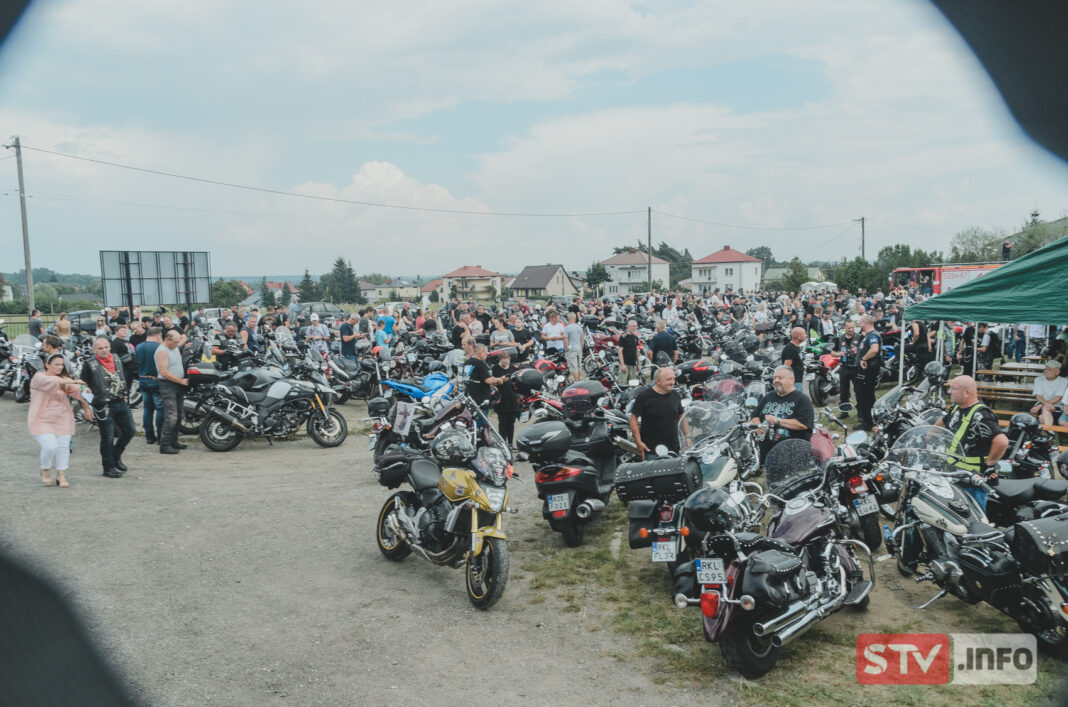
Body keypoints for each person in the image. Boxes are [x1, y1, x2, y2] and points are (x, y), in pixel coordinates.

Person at [936, 375, 1009, 510]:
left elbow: (1002, 441)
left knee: (973, 521)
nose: (949, 392)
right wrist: (926, 438)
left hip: (973, 482)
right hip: (956, 475)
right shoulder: (957, 408)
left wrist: (990, 464)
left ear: (966, 393)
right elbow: (942, 422)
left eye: (953, 388)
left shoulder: (981, 415)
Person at [28, 353, 92, 487]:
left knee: (63, 448)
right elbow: (53, 382)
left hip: (62, 418)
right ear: (47, 364)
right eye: (56, 364)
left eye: (62, 364)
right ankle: (45, 469)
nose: (59, 367)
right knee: (50, 447)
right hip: (41, 419)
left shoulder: (64, 380)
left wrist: (89, 392)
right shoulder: (39, 377)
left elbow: (80, 392)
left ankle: (61, 474)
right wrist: (73, 380)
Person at [83, 337, 136, 477]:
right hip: (103, 404)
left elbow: (122, 377)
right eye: (100, 348)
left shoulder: (116, 358)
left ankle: (115, 456)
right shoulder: (89, 364)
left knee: (130, 430)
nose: (104, 350)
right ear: (94, 350)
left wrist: (125, 396)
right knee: (108, 436)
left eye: (106, 347)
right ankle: (108, 467)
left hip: (120, 401)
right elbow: (82, 385)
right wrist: (87, 407)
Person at [750, 366, 815, 460]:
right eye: (774, 378)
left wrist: (778, 421)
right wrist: (759, 426)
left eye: (780, 378)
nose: (776, 380)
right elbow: (755, 414)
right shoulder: (769, 396)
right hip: (768, 456)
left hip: (792, 456)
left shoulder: (802, 399)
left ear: (792, 380)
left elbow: (804, 424)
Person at [629, 367, 687, 459]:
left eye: (673, 379)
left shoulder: (675, 395)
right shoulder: (644, 396)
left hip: (674, 450)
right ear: (658, 381)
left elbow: (681, 416)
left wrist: (687, 437)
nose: (672, 382)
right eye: (668, 379)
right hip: (652, 452)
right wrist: (638, 442)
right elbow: (633, 418)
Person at [155, 330, 189, 455]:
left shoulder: (173, 346)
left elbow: (183, 339)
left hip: (177, 385)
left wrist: (185, 335)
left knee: (179, 415)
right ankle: (165, 445)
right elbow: (164, 372)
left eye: (177, 342)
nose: (177, 344)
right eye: (175, 342)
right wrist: (180, 381)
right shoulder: (162, 351)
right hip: (168, 385)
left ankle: (174, 441)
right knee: (171, 416)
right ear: (167, 340)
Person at [136, 327, 165, 445]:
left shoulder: (138, 346)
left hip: (142, 379)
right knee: (160, 408)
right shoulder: (158, 347)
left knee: (147, 409)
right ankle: (160, 436)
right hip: (155, 379)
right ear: (158, 335)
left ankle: (149, 436)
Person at [463, 343, 506, 417]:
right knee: (481, 423)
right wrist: (499, 380)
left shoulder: (467, 362)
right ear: (481, 352)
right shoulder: (480, 363)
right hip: (481, 400)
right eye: (486, 353)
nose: (487, 355)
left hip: (469, 398)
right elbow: (488, 380)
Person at [855, 315, 882, 431]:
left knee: (865, 395)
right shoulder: (868, 335)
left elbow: (874, 349)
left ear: (866, 322)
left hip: (868, 371)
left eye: (861, 322)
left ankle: (868, 422)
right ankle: (871, 419)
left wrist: (864, 358)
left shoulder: (873, 335)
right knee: (866, 395)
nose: (859, 324)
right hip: (865, 370)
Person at [491, 350, 519, 446]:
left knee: (511, 423)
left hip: (513, 398)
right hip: (501, 399)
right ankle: (503, 443)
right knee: (502, 422)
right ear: (500, 359)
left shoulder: (512, 367)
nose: (506, 361)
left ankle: (510, 443)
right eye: (504, 359)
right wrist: (501, 379)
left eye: (507, 359)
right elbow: (492, 383)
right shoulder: (495, 368)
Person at [833, 319, 862, 405]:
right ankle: (844, 410)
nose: (851, 330)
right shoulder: (839, 338)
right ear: (844, 328)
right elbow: (832, 352)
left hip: (856, 367)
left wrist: (858, 350)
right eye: (849, 328)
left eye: (852, 328)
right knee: (843, 390)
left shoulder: (860, 337)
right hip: (844, 367)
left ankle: (860, 411)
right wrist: (839, 354)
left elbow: (866, 350)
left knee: (858, 390)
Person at [1031, 360, 1067, 427]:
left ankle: (1048, 434)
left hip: (1057, 407)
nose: (1045, 371)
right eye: (1045, 369)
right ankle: (1050, 434)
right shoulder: (1038, 379)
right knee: (1046, 410)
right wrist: (1045, 404)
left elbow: (1058, 398)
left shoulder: (1064, 381)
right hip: (1042, 405)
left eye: (1049, 370)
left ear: (1057, 372)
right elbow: (1038, 396)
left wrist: (1041, 405)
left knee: (1042, 417)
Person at [781, 327, 806, 392]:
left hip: (798, 380)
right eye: (804, 333)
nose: (806, 335)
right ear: (799, 336)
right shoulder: (790, 349)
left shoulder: (796, 347)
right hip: (794, 382)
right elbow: (786, 367)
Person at [617, 319, 641, 384]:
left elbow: (636, 351)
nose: (635, 328)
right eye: (633, 326)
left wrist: (638, 364)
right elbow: (620, 351)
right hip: (625, 363)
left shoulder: (635, 337)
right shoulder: (623, 336)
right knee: (623, 383)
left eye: (636, 326)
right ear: (628, 326)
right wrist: (622, 364)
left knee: (632, 383)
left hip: (633, 364)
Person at [563, 312, 584, 382]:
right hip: (579, 348)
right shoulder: (579, 327)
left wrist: (566, 350)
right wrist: (581, 348)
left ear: (568, 318)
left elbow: (566, 341)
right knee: (579, 366)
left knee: (573, 366)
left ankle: (576, 381)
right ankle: (579, 380)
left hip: (571, 349)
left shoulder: (566, 328)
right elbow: (582, 339)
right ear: (575, 318)